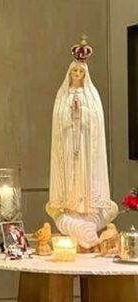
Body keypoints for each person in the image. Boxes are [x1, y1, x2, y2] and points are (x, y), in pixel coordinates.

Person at [46, 39, 117, 249]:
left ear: (85, 75)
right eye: (74, 72)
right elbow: (58, 121)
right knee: (71, 174)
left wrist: (82, 112)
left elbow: (96, 120)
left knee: (85, 175)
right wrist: (70, 115)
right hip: (69, 143)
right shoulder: (63, 95)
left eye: (80, 72)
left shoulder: (91, 95)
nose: (77, 75)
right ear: (70, 73)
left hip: (86, 145)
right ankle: (71, 209)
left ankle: (87, 211)